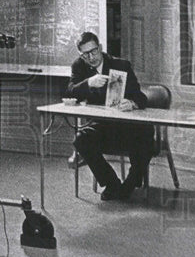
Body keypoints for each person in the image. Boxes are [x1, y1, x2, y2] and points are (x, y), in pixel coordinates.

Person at [64, 31, 153, 201]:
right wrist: (88, 83)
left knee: (147, 133)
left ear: (101, 48)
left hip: (126, 126)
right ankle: (111, 183)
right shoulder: (79, 66)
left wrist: (132, 103)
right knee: (81, 139)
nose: (91, 57)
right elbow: (69, 92)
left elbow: (141, 97)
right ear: (81, 55)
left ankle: (131, 182)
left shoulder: (121, 65)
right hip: (101, 126)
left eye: (94, 51)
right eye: (86, 54)